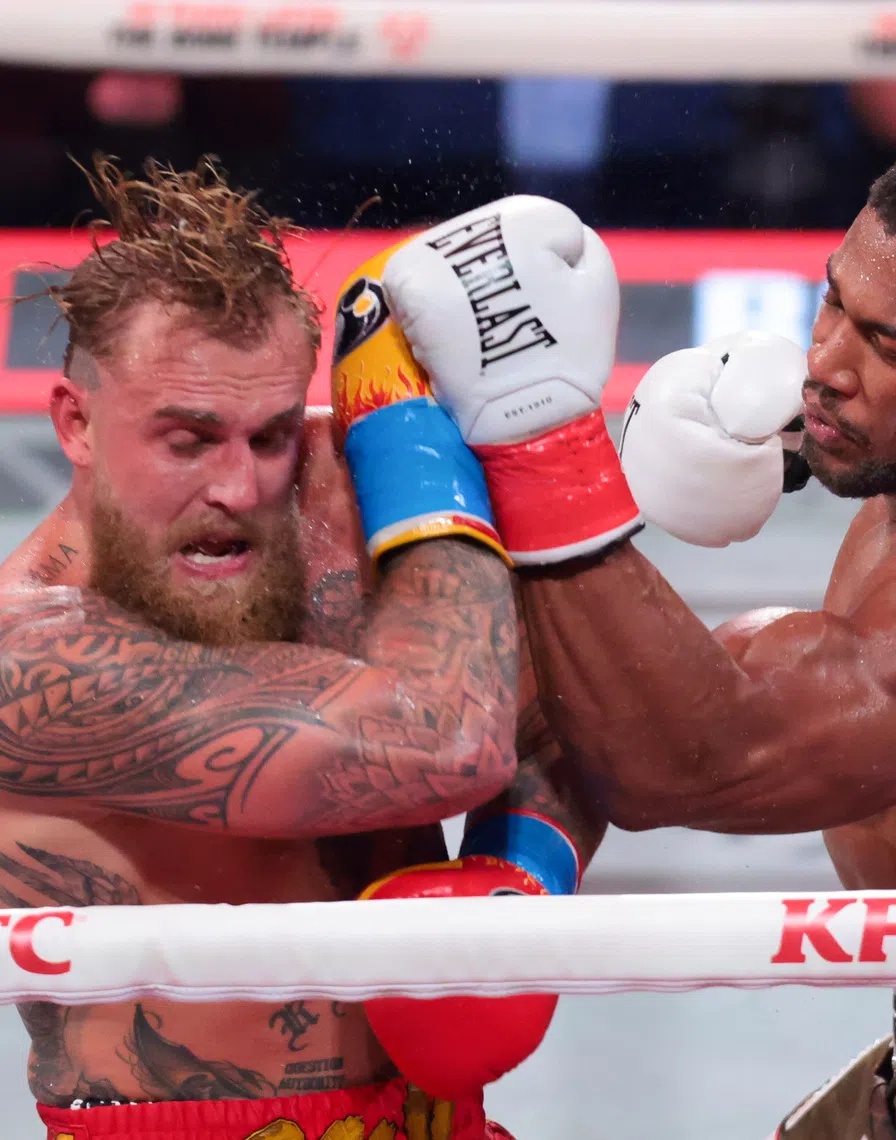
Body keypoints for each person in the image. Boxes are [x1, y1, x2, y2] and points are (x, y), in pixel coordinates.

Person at [376, 126, 896, 1139]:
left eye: (890, 349)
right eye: (836, 303)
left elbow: (689, 764)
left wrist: (548, 458)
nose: (824, 365)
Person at [0, 157, 606, 1140]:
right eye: (189, 439)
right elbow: (449, 741)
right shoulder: (29, 659)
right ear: (75, 423)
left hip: (439, 1119)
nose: (240, 486)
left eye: (271, 433)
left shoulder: (340, 498)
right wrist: (421, 452)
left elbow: (574, 720)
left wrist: (522, 871)